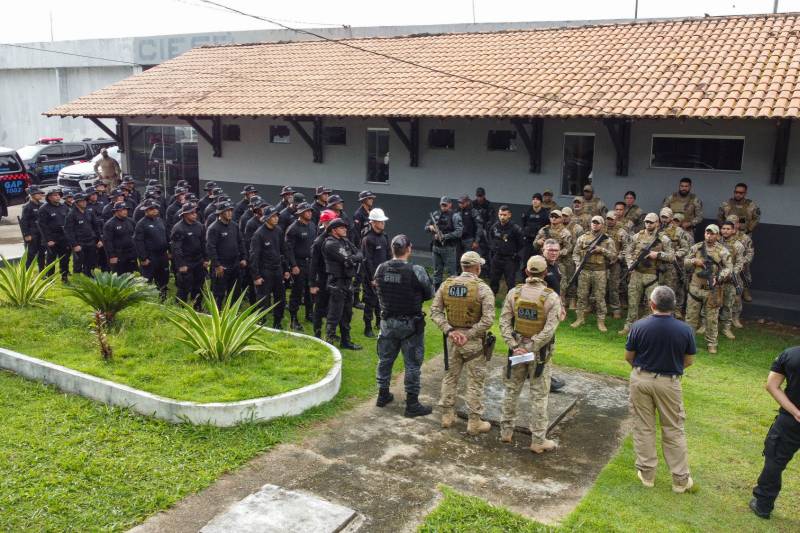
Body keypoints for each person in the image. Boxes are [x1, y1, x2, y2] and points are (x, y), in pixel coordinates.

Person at [624, 285, 695, 493]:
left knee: (643, 426)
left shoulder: (639, 326)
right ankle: (680, 480)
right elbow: (689, 360)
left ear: (651, 304)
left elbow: (629, 356)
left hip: (641, 379)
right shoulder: (685, 330)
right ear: (673, 306)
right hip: (669, 383)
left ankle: (647, 475)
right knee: (673, 429)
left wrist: (642, 371)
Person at [499, 255, 562, 453]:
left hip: (516, 350)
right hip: (539, 353)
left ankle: (505, 432)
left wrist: (514, 344)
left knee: (511, 390)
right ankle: (538, 440)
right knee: (539, 396)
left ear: (526, 272)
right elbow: (549, 329)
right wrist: (532, 346)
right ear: (545, 274)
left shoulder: (514, 293)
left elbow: (504, 322)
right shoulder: (551, 297)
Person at [431, 251, 495, 433]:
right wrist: (469, 334)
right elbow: (488, 319)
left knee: (450, 377)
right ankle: (474, 422)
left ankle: (447, 415)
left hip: (452, 340)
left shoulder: (447, 285)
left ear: (462, 266)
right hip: (474, 343)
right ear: (477, 268)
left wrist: (450, 331)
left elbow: (435, 312)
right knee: (475, 381)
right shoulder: (482, 288)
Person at [374, 234, 435, 416]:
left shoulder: (381, 268)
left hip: (387, 322)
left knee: (385, 360)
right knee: (412, 364)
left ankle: (382, 394)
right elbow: (429, 293)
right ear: (409, 248)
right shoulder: (416, 270)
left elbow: (378, 289)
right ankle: (412, 404)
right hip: (410, 324)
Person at [750, 346, 800, 519]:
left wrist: (795, 411)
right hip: (792, 419)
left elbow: (772, 385)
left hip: (791, 421)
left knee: (775, 460)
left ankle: (763, 505)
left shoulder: (791, 355)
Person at [619, 213, 674, 336]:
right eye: (646, 222)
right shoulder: (637, 236)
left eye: (651, 222)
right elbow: (628, 251)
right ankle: (629, 326)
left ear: (657, 223)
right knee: (633, 302)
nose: (648, 224)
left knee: (652, 304)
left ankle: (650, 329)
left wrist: (658, 255)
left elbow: (672, 256)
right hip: (637, 273)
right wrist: (630, 264)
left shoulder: (663, 238)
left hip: (652, 275)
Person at [684, 224, 732, 354]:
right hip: (695, 288)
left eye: (712, 233)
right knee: (690, 317)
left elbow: (729, 268)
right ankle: (688, 342)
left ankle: (712, 343)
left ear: (717, 235)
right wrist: (694, 261)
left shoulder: (722, 250)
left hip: (712, 290)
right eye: (707, 233)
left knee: (711, 319)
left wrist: (719, 277)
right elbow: (685, 261)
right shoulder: (697, 247)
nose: (709, 235)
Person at [322, 218, 363, 350]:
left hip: (347, 281)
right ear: (334, 230)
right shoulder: (330, 244)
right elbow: (348, 258)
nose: (345, 229)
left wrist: (352, 259)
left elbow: (360, 254)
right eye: (341, 227)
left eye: (345, 227)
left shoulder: (344, 240)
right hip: (336, 282)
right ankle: (329, 343)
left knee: (347, 314)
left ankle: (346, 341)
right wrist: (351, 259)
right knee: (334, 314)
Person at [571, 215, 617, 332]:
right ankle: (580, 318)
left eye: (597, 223)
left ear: (602, 225)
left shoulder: (607, 239)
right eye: (593, 222)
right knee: (581, 295)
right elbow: (575, 253)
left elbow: (614, 256)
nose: (594, 224)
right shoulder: (582, 238)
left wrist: (601, 250)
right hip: (584, 270)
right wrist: (577, 264)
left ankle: (600, 321)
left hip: (600, 271)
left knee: (600, 297)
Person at [250, 206, 289, 329]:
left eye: (277, 216)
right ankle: (261, 322)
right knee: (263, 299)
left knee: (280, 298)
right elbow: (254, 256)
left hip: (277, 270)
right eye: (273, 216)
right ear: (266, 218)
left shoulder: (278, 231)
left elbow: (283, 250)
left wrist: (286, 269)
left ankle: (277, 322)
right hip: (264, 271)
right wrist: (256, 276)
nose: (276, 218)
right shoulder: (259, 234)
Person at [206, 201, 247, 308]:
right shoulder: (213, 228)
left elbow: (240, 242)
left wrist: (243, 257)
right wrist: (217, 265)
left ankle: (232, 314)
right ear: (220, 213)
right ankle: (217, 315)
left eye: (230, 211)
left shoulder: (234, 226)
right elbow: (211, 248)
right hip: (221, 266)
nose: (229, 213)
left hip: (235, 265)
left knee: (234, 292)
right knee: (219, 294)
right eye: (226, 211)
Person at [285, 202, 316, 331]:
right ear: (301, 213)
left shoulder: (312, 226)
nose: (310, 213)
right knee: (297, 292)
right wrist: (293, 265)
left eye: (310, 211)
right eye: (307, 211)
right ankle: (293, 319)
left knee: (310, 291)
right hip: (299, 263)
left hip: (310, 263)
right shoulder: (293, 229)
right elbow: (288, 249)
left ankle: (309, 314)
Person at [360, 207, 390, 338]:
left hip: (383, 275)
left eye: (383, 221)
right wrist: (373, 278)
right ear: (373, 222)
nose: (383, 223)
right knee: (370, 301)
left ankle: (379, 323)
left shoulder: (384, 237)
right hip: (371, 276)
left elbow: (388, 255)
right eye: (380, 221)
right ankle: (367, 327)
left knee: (381, 301)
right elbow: (367, 260)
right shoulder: (368, 239)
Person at [658, 207, 693, 319]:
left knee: (672, 289)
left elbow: (686, 248)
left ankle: (673, 311)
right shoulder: (656, 230)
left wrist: (675, 255)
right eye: (662, 216)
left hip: (673, 265)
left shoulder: (679, 232)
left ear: (671, 218)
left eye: (666, 217)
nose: (663, 219)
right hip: (658, 264)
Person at [171, 202, 207, 306]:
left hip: (198, 261)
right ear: (185, 214)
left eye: (195, 212)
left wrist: (206, 259)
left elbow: (203, 243)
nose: (195, 215)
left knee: (199, 286)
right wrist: (181, 265)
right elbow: (176, 248)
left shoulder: (200, 226)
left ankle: (197, 307)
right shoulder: (178, 228)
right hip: (186, 262)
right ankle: (179, 308)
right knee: (184, 287)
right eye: (192, 213)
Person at [310, 209, 337, 338]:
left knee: (332, 308)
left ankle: (330, 332)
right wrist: (313, 284)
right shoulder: (319, 241)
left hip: (334, 277)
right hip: (322, 278)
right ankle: (317, 333)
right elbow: (313, 264)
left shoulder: (336, 239)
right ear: (325, 223)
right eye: (331, 221)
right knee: (320, 307)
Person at [134, 199, 169, 300]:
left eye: (155, 209)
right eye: (151, 209)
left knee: (163, 279)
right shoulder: (141, 224)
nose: (154, 211)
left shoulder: (160, 220)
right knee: (147, 280)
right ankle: (146, 301)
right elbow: (138, 242)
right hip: (150, 257)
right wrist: (143, 258)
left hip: (162, 255)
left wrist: (169, 251)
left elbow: (166, 236)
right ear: (146, 211)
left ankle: (163, 299)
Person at [534, 210, 573, 300]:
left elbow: (569, 248)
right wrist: (538, 242)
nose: (554, 218)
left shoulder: (565, 233)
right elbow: (535, 245)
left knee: (559, 288)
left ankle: (559, 305)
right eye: (552, 216)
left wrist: (556, 253)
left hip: (559, 263)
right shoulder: (544, 230)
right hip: (543, 263)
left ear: (561, 219)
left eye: (556, 217)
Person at [426, 197, 463, 290]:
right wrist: (430, 228)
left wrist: (444, 236)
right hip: (436, 247)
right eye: (442, 205)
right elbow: (426, 227)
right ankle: (436, 293)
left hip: (449, 248)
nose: (443, 207)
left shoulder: (455, 216)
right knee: (437, 272)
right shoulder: (435, 214)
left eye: (445, 205)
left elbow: (459, 232)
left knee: (452, 273)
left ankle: (453, 292)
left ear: (450, 204)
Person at [487, 205, 524, 295]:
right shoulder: (495, 227)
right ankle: (491, 300)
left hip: (510, 259)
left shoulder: (515, 228)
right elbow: (490, 238)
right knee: (493, 281)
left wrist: (514, 253)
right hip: (497, 257)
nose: (502, 217)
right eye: (500, 214)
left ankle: (510, 303)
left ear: (509, 215)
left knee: (510, 283)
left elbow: (521, 244)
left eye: (504, 215)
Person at [64, 192, 103, 277]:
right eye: (81, 201)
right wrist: (75, 245)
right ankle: (77, 280)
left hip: (91, 241)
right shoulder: (71, 214)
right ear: (76, 203)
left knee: (91, 261)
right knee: (78, 262)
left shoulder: (89, 212)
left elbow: (96, 226)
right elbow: (68, 231)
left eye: (85, 200)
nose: (84, 202)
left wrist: (99, 239)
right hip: (79, 242)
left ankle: (90, 277)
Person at [718, 221, 745, 341]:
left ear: (733, 230)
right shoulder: (716, 242)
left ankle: (726, 328)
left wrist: (732, 272)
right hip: (717, 278)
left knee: (728, 305)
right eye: (723, 228)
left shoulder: (738, 245)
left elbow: (740, 262)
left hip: (730, 279)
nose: (725, 231)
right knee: (711, 302)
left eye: (728, 229)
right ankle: (705, 325)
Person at [37, 188, 70, 282]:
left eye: (58, 195)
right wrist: (48, 240)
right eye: (55, 195)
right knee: (51, 259)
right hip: (52, 238)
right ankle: (49, 278)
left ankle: (64, 277)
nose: (58, 196)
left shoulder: (64, 207)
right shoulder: (44, 209)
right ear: (49, 197)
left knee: (65, 259)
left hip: (63, 237)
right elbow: (42, 226)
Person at [727, 214, 754, 312]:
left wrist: (743, 262)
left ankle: (745, 290)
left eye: (734, 224)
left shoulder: (745, 238)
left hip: (741, 264)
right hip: (726, 264)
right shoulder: (721, 237)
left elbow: (750, 253)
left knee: (746, 277)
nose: (732, 226)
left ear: (738, 225)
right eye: (730, 224)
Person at [606, 211, 630, 319]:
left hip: (615, 264)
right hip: (602, 261)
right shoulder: (602, 230)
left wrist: (617, 258)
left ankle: (616, 309)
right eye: (608, 219)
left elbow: (626, 248)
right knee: (600, 286)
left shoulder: (622, 232)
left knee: (613, 287)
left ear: (616, 219)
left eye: (611, 219)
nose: (609, 221)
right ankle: (596, 307)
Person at [102, 202, 137, 275]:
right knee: (120, 277)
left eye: (126, 209)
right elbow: (107, 241)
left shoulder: (130, 221)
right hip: (118, 255)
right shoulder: (110, 224)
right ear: (116, 211)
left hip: (131, 253)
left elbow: (135, 236)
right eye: (122, 210)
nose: (125, 211)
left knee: (133, 275)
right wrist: (111, 256)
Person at [19, 186, 46, 270]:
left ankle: (42, 273)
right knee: (30, 255)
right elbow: (24, 222)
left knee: (41, 254)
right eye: (38, 193)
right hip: (32, 234)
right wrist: (26, 234)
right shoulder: (27, 206)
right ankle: (26, 274)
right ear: (32, 194)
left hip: (41, 234)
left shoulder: (42, 205)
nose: (40, 195)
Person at [521, 193, 550, 260]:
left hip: (539, 241)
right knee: (526, 261)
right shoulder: (527, 212)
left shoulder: (545, 213)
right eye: (533, 199)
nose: (535, 201)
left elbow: (548, 227)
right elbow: (523, 224)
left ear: (541, 202)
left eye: (537, 199)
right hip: (528, 241)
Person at [457, 194, 484, 260]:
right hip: (459, 240)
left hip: (469, 240)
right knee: (458, 259)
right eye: (459, 203)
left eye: (462, 203)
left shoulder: (473, 212)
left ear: (468, 202)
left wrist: (476, 241)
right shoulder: (458, 211)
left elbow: (479, 227)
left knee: (469, 260)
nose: (460, 204)